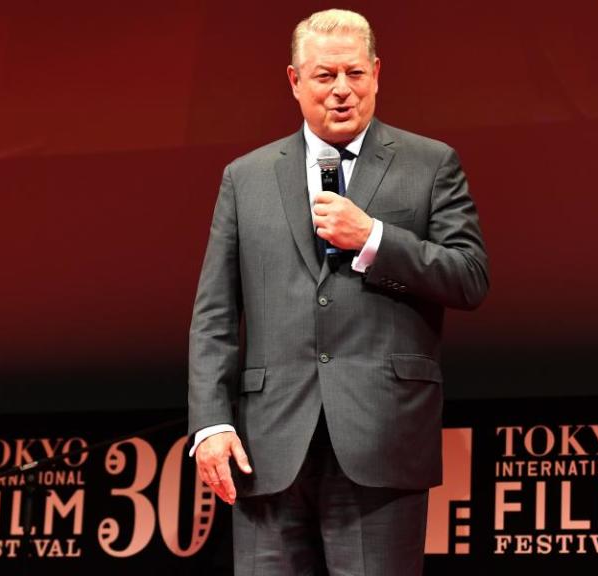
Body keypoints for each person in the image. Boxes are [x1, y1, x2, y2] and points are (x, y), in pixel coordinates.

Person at [187, 8, 489, 575]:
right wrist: (210, 424)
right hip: (267, 445)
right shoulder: (245, 177)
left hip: (382, 434)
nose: (342, 91)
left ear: (377, 73)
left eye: (354, 73)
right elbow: (215, 315)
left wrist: (373, 237)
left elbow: (470, 276)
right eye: (325, 76)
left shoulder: (429, 164)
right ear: (295, 81)